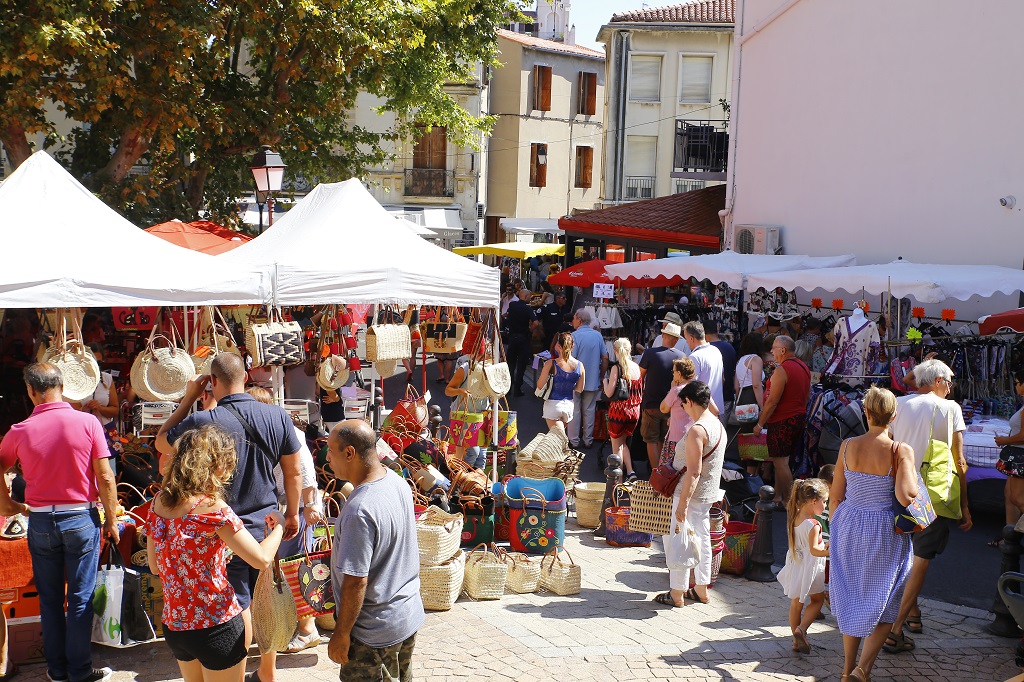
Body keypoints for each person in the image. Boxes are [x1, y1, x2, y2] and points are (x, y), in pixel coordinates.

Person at [156, 353, 302, 682]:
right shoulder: (276, 416)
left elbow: (161, 443)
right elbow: (292, 474)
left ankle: (237, 666)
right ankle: (267, 670)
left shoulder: (202, 421)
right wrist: (290, 514)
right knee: (265, 595)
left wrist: (189, 398)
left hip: (224, 528)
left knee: (240, 602)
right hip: (266, 524)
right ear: (246, 376)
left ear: (213, 382)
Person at [0, 363, 119, 682]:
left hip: (40, 521)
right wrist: (113, 519)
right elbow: (106, 477)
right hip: (80, 518)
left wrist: (8, 504)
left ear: (31, 391)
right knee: (80, 598)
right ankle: (79, 671)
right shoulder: (88, 422)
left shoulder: (19, 430)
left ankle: (57, 671)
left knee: (50, 599)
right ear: (63, 385)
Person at [147, 425, 286, 682]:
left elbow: (156, 567)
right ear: (215, 464)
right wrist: (279, 525)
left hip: (176, 626)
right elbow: (261, 559)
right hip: (217, 624)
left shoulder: (158, 502)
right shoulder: (211, 507)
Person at [829, 386, 917, 682]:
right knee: (886, 597)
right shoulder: (899, 450)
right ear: (893, 415)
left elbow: (835, 495)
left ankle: (846, 669)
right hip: (883, 529)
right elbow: (906, 496)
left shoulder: (847, 445)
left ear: (866, 413)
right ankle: (862, 669)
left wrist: (836, 527)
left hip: (849, 524)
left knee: (853, 595)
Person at [326, 420, 424, 680]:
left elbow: (356, 581)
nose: (327, 459)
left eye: (330, 451)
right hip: (406, 615)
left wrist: (342, 633)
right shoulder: (396, 481)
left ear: (349, 453)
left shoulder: (359, 510)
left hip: (373, 634)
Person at [886, 358, 970, 651]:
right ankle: (895, 629)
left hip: (898, 486)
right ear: (938, 381)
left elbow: (890, 444)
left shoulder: (900, 404)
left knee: (902, 554)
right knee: (920, 559)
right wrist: (966, 506)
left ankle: (911, 611)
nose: (951, 386)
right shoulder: (951, 408)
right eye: (949, 380)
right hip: (931, 492)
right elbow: (959, 461)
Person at [245, 387, 325, 653]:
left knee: (299, 569)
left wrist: (310, 505)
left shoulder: (285, 430)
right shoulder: (269, 430)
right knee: (288, 568)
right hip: (285, 508)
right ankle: (293, 624)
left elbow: (303, 471)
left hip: (299, 509)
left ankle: (308, 630)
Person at [653, 381, 725, 608]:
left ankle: (677, 593)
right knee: (702, 539)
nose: (682, 407)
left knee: (679, 540)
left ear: (690, 401)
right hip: (707, 493)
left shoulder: (697, 430)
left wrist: (682, 503)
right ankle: (701, 589)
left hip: (689, 493)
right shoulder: (717, 425)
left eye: (683, 403)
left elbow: (694, 472)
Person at [752, 335, 811, 506]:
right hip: (797, 417)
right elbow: (806, 396)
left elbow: (772, 401)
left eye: (774, 348)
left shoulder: (782, 369)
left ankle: (790, 501)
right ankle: (778, 496)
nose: (772, 352)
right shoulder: (803, 367)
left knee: (780, 462)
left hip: (783, 420)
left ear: (783, 350)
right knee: (782, 461)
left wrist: (759, 424)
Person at [777, 479, 830, 654]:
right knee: (817, 600)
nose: (825, 505)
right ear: (814, 502)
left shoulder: (794, 515)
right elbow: (814, 550)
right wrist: (830, 551)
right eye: (824, 502)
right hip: (811, 567)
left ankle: (794, 639)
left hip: (796, 564)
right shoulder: (813, 525)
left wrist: (823, 545)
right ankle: (802, 629)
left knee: (796, 603)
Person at [638, 323, 686, 473]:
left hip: (651, 403)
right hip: (671, 405)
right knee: (664, 440)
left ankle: (656, 472)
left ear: (663, 336)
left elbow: (640, 376)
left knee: (651, 440)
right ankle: (663, 470)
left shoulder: (650, 353)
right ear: (677, 340)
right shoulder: (682, 357)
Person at [444, 345, 493, 466]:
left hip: (482, 415)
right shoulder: (466, 368)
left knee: (482, 457)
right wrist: (460, 391)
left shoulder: (491, 370)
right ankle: (462, 479)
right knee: (473, 453)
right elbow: (448, 390)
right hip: (464, 415)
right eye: (487, 358)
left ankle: (476, 482)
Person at [603, 338, 643, 482]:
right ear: (630, 349)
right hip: (634, 412)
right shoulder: (636, 367)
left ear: (615, 351)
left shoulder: (617, 368)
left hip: (619, 412)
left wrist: (605, 382)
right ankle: (630, 471)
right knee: (623, 443)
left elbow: (608, 393)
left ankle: (617, 481)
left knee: (616, 448)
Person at [569, 308, 607, 449]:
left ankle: (573, 440)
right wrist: (601, 375)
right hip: (592, 378)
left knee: (575, 409)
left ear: (579, 320)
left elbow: (572, 359)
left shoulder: (574, 336)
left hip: (575, 379)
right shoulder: (597, 336)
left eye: (574, 318)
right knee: (589, 409)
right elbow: (605, 357)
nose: (573, 320)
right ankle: (588, 440)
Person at [536, 333, 584, 431]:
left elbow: (540, 385)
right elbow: (580, 389)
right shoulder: (580, 365)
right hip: (569, 406)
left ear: (558, 346)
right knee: (558, 437)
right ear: (573, 346)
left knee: (558, 439)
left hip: (553, 405)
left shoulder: (550, 363)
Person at [995, 369, 1024, 526]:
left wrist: (1005, 440)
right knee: (1011, 496)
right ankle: (1010, 535)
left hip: (1020, 456)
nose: (1016, 387)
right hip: (1017, 455)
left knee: (1018, 499)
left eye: (1017, 383)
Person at [683, 322, 725, 422]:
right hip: (716, 407)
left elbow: (691, 387)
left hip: (702, 412)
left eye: (686, 338)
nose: (686, 342)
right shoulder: (716, 351)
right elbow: (723, 378)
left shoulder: (695, 357)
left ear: (691, 338)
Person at [503, 287, 539, 397]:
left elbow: (505, 315)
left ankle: (508, 388)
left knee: (511, 363)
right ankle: (518, 389)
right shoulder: (528, 309)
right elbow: (536, 323)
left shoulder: (512, 305)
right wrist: (529, 330)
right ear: (526, 297)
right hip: (523, 337)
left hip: (512, 337)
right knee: (521, 364)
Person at [704, 320, 736, 409]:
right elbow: (733, 370)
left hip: (709, 398)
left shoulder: (704, 350)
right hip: (727, 394)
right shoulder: (729, 347)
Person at [734, 333, 766, 419]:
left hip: (742, 397)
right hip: (753, 397)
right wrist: (762, 407)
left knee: (746, 429)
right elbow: (756, 385)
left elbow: (737, 386)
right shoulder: (755, 359)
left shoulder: (740, 360)